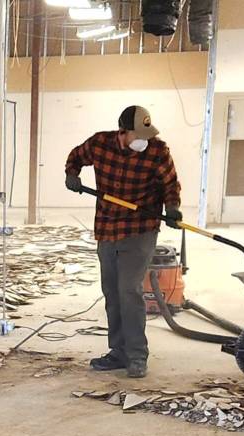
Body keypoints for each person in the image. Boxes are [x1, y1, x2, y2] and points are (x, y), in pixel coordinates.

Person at [64, 105, 181, 379]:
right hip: (107, 229)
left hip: (140, 228)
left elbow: (170, 184)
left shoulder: (157, 151)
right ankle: (118, 352)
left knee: (129, 290)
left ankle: (137, 355)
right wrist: (72, 174)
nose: (144, 139)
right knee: (113, 294)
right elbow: (75, 156)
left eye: (147, 133)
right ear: (123, 132)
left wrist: (172, 208)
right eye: (138, 134)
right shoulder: (100, 144)